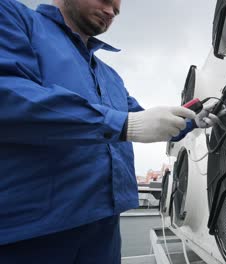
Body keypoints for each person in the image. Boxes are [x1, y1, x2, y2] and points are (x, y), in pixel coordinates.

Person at [0, 0, 210, 263]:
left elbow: (148, 121)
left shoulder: (111, 76)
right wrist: (122, 124)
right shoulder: (13, 17)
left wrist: (193, 120)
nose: (111, 12)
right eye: (105, 1)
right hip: (29, 234)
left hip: (104, 229)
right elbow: (8, 97)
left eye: (117, 10)